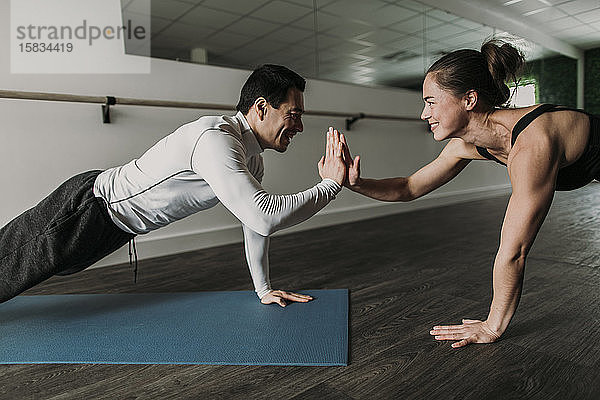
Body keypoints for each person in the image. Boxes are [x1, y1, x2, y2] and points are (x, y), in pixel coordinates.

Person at [0, 64, 347, 308]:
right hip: (88, 208)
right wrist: (329, 185)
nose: (299, 127)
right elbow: (265, 217)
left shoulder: (251, 157)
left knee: (33, 271)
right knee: (10, 264)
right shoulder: (216, 140)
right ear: (261, 107)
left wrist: (264, 289)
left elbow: (254, 224)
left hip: (115, 227)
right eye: (294, 114)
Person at [339, 39, 600, 348]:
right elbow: (409, 187)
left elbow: (514, 251)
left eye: (432, 102)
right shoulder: (466, 145)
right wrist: (355, 183)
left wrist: (492, 326)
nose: (425, 114)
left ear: (469, 100)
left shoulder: (531, 145)